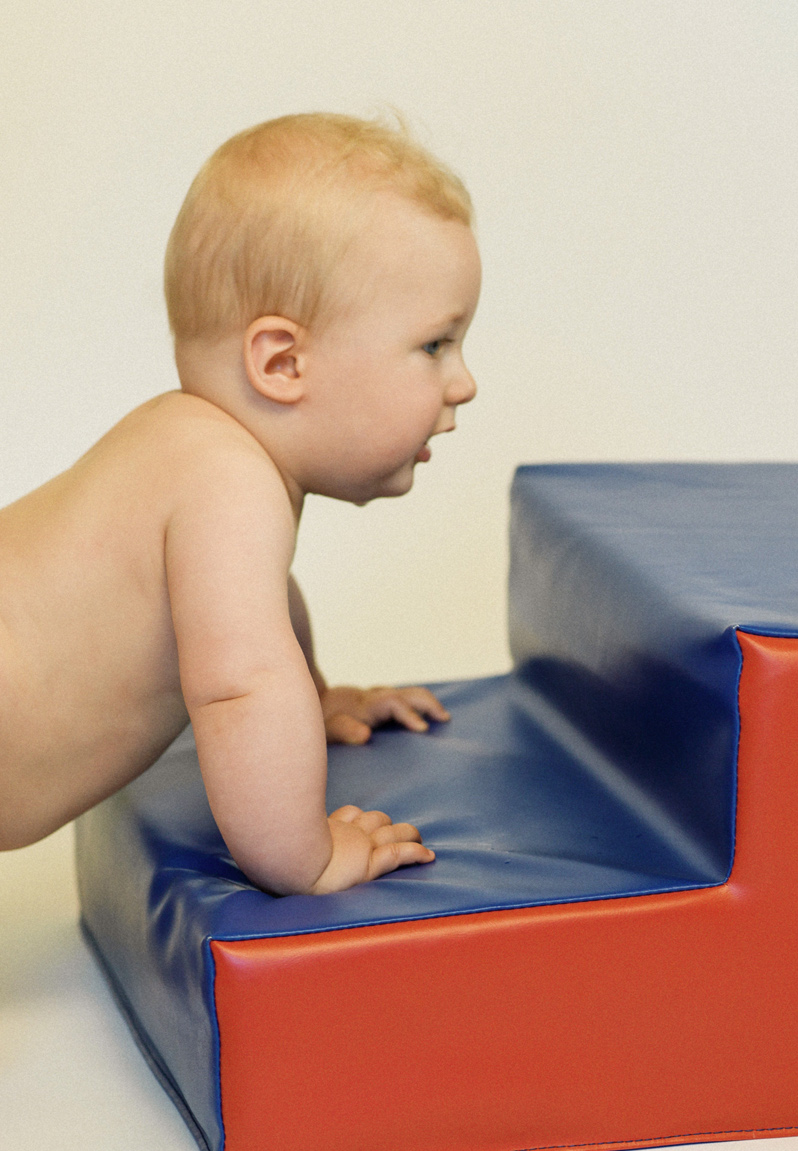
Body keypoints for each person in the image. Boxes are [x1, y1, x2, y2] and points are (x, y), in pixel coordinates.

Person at [0, 113, 472, 894]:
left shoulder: (189, 451)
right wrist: (306, 857)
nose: (463, 382)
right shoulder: (230, 481)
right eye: (433, 345)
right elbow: (242, 684)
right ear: (283, 361)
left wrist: (312, 704)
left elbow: (261, 615)